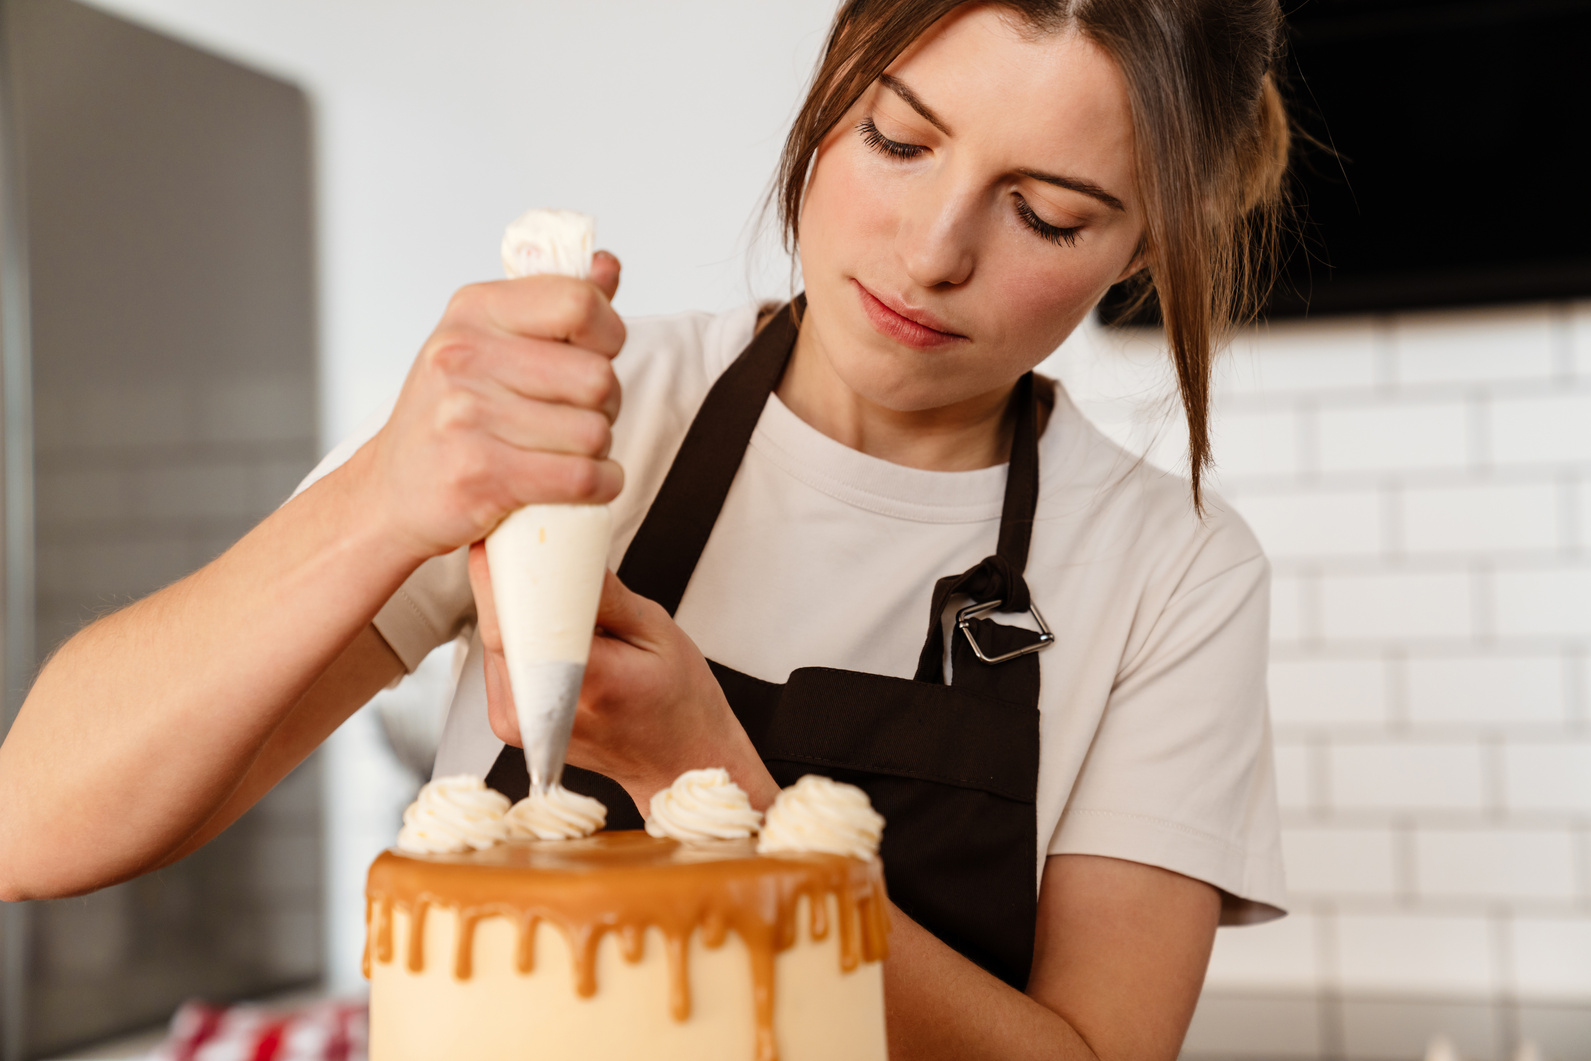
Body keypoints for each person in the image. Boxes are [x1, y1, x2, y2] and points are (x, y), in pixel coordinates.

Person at [0, 1, 1293, 1057]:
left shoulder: (1171, 571)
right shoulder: (575, 414)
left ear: (1141, 245)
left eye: (1046, 213)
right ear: (834, 87)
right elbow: (35, 824)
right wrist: (387, 493)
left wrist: (712, 785)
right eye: (898, 141)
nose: (931, 249)